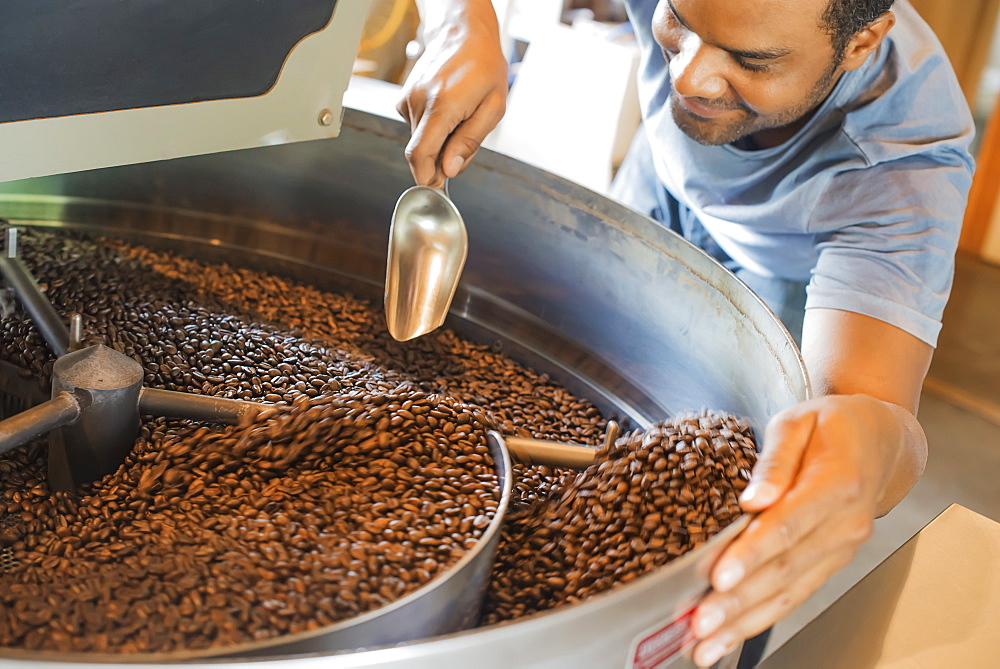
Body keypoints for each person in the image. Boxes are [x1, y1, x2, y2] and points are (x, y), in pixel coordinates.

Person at [397, 0, 975, 666]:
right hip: (663, 183)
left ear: (862, 41)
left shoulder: (901, 164)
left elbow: (871, 409)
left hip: (789, 285)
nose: (690, 77)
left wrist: (862, 449)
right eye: (678, 19)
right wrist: (462, 18)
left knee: (729, 497)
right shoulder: (704, 78)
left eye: (750, 59)